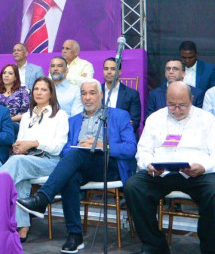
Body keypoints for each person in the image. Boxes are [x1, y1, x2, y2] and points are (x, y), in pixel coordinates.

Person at [17, 81, 136, 252]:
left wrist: (103, 145)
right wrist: (81, 147)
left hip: (110, 166)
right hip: (83, 165)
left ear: (101, 95)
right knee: (71, 175)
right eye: (84, 93)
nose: (87, 98)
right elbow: (65, 150)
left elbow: (131, 148)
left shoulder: (119, 116)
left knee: (78, 154)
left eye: (92, 93)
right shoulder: (73, 121)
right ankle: (75, 235)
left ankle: (43, 199)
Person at [124, 81, 215, 254]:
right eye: (172, 105)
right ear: (166, 100)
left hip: (198, 173)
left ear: (192, 100)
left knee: (214, 191)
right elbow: (142, 151)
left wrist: (203, 167)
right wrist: (148, 164)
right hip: (161, 172)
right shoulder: (155, 118)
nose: (177, 109)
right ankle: (154, 245)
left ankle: (210, 247)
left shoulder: (207, 120)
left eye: (182, 105)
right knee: (133, 186)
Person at [0, 77, 69, 242]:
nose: (39, 92)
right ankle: (23, 226)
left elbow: (57, 147)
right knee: (20, 175)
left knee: (17, 163)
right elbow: (21, 140)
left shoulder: (60, 115)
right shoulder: (27, 115)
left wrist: (34, 143)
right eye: (36, 89)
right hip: (27, 159)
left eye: (43, 89)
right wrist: (18, 146)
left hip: (49, 161)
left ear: (51, 93)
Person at [101, 57, 142, 134]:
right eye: (106, 69)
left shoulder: (131, 94)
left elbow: (134, 123)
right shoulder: (97, 91)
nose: (109, 72)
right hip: (99, 136)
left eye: (113, 69)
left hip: (122, 136)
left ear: (120, 72)